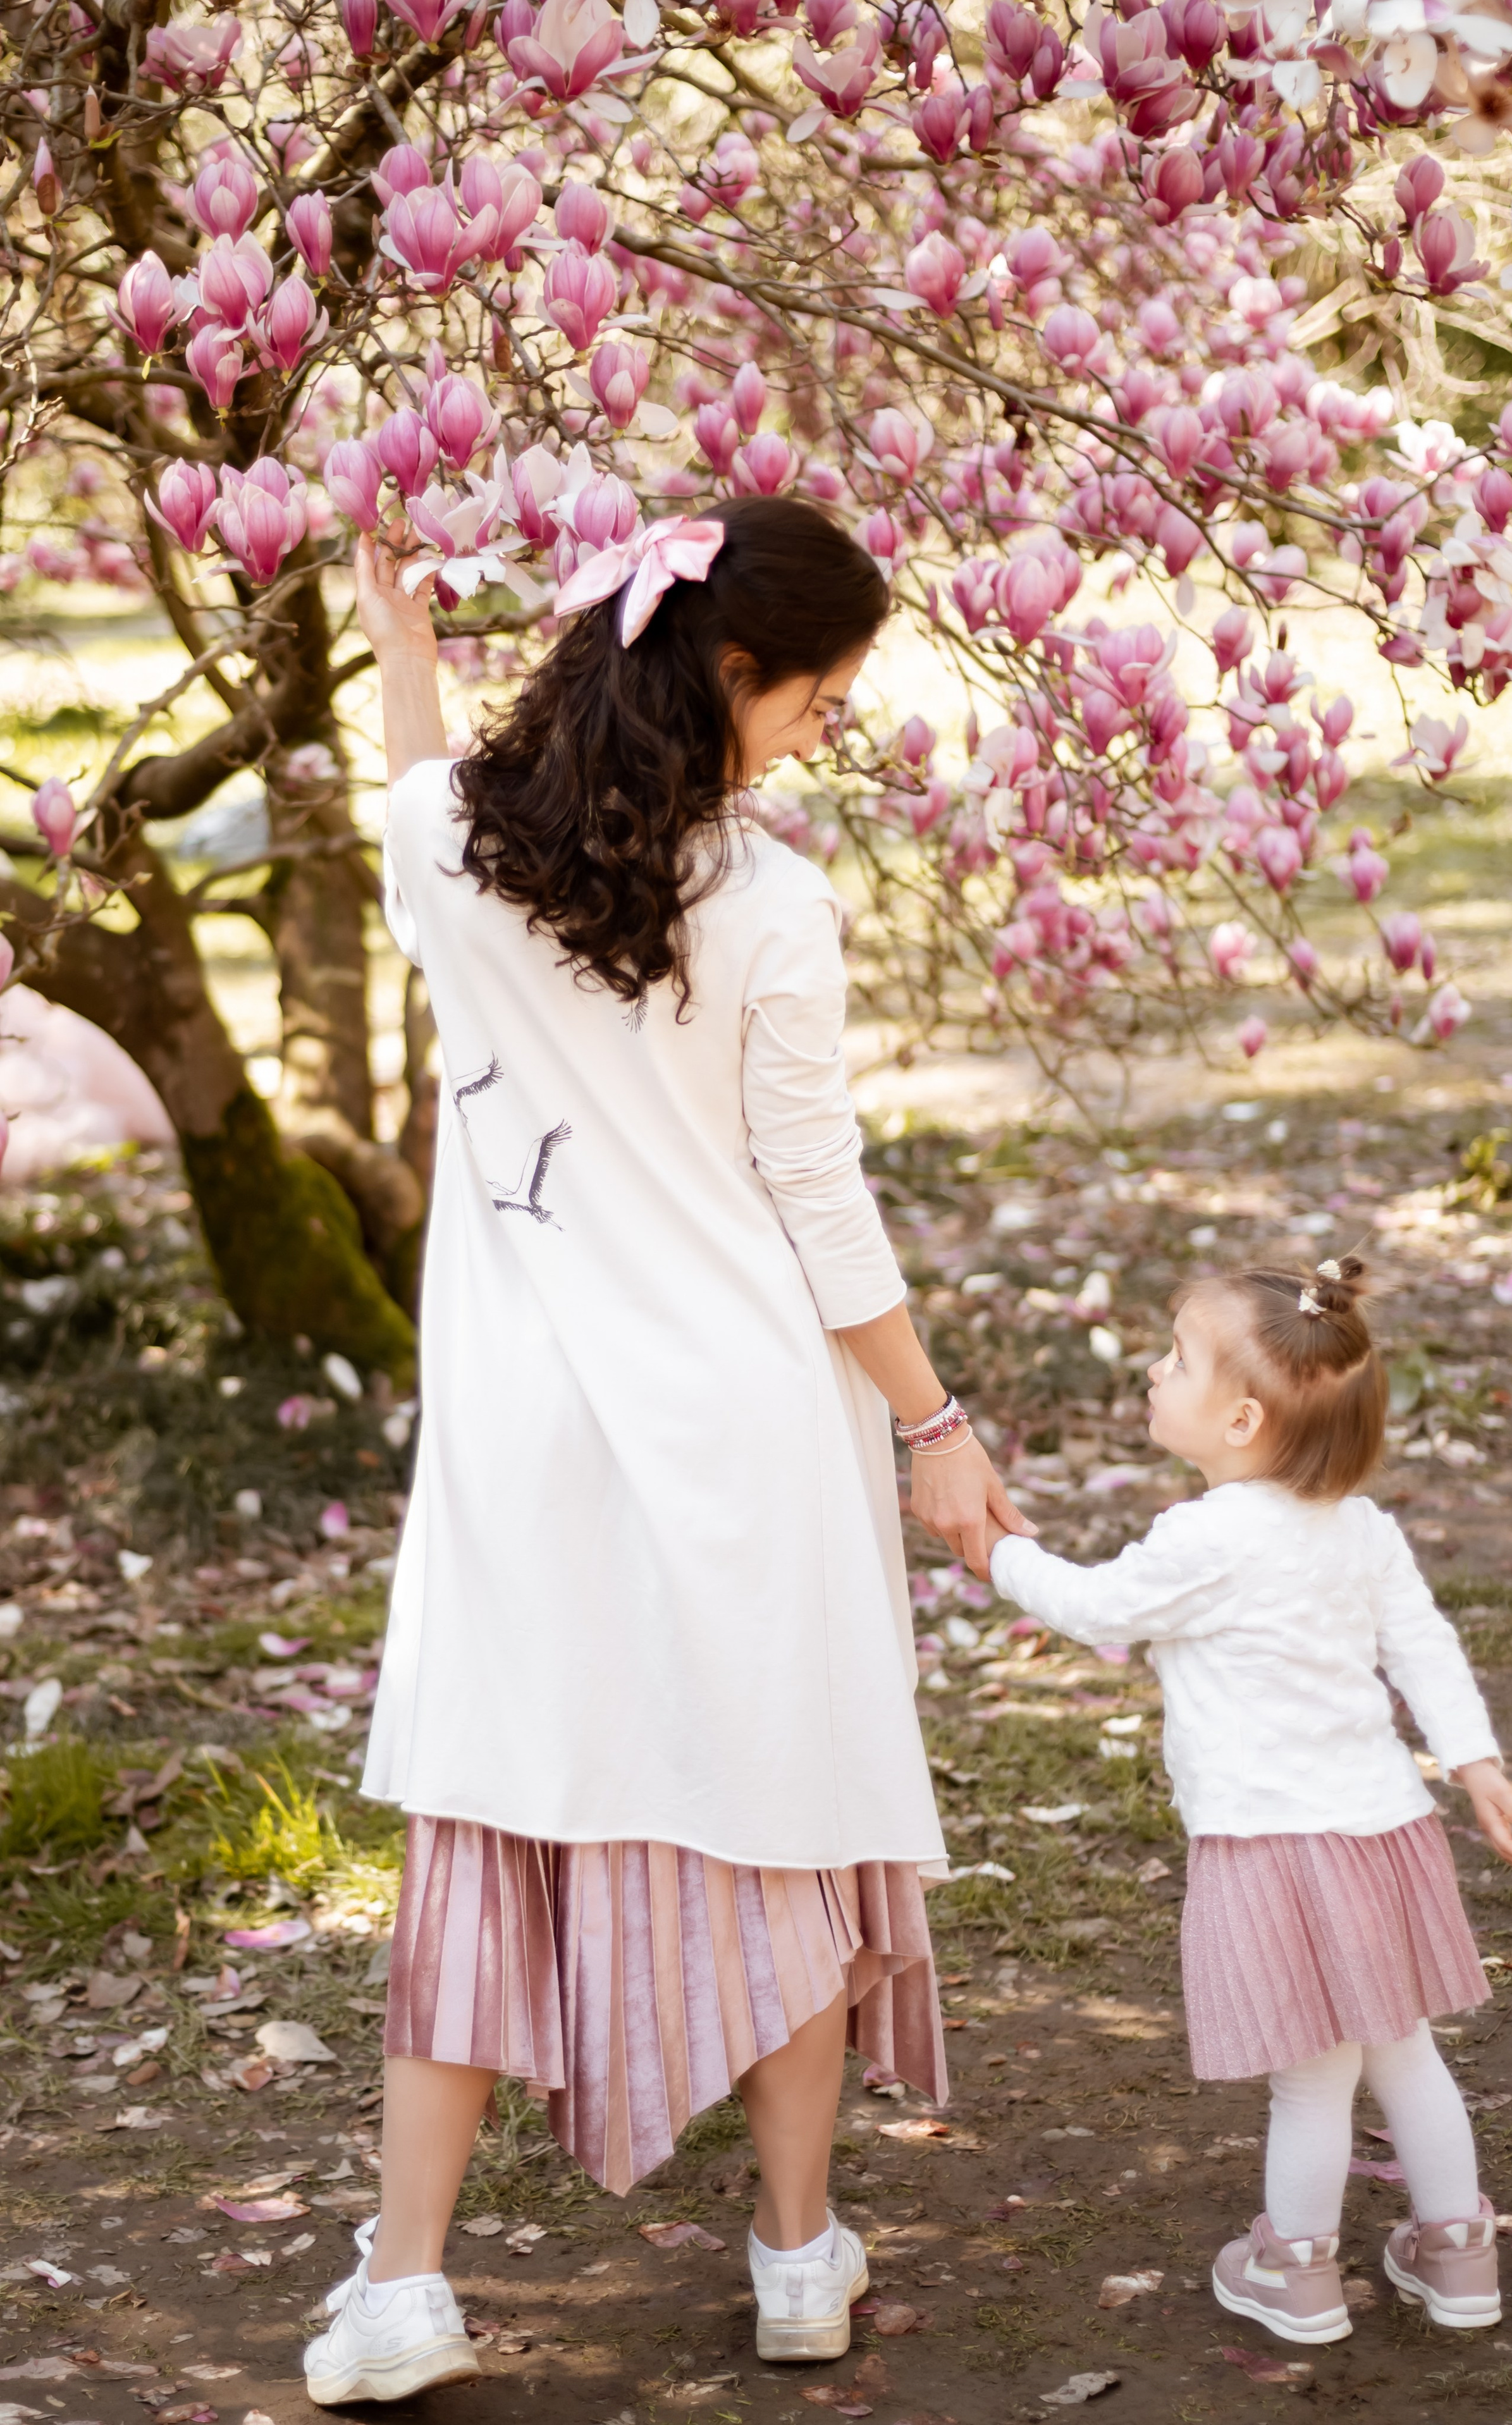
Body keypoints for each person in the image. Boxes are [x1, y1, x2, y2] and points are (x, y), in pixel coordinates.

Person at [305, 494, 1027, 2406]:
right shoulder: (776, 906)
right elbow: (819, 1198)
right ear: (730, 668)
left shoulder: (459, 850)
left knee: (493, 1810)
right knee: (771, 1813)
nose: (825, 725)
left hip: (526, 1432)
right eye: (821, 691)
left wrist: (402, 637)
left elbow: (413, 792)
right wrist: (930, 1423)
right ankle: (796, 2255)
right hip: (748, 1424)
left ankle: (405, 2283)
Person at [983, 1256, 1512, 2347]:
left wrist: (993, 1549)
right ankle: (1459, 2252)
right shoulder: (1359, 1524)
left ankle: (1294, 2270)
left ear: (1240, 1418)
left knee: (1311, 2078)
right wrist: (1473, 1763)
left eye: (1175, 1358)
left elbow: (1093, 1605)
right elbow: (1421, 1646)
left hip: (1274, 1849)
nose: (1153, 1370)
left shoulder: (1210, 1538)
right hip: (1383, 1836)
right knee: (1405, 2050)